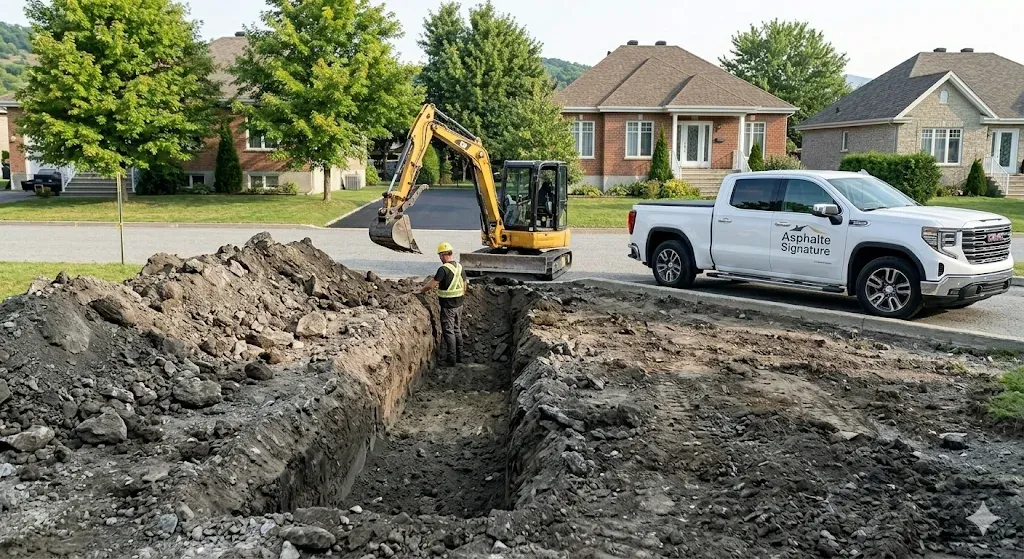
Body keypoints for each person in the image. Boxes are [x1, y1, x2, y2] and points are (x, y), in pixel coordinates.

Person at [418, 242, 468, 365]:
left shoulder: (443, 269)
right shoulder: (459, 267)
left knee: (449, 331)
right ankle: (459, 356)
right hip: (459, 304)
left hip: (448, 306)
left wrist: (421, 291)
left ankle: (451, 360)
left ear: (444, 255)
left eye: (440, 255)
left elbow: (432, 284)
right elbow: (465, 284)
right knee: (457, 329)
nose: (440, 258)